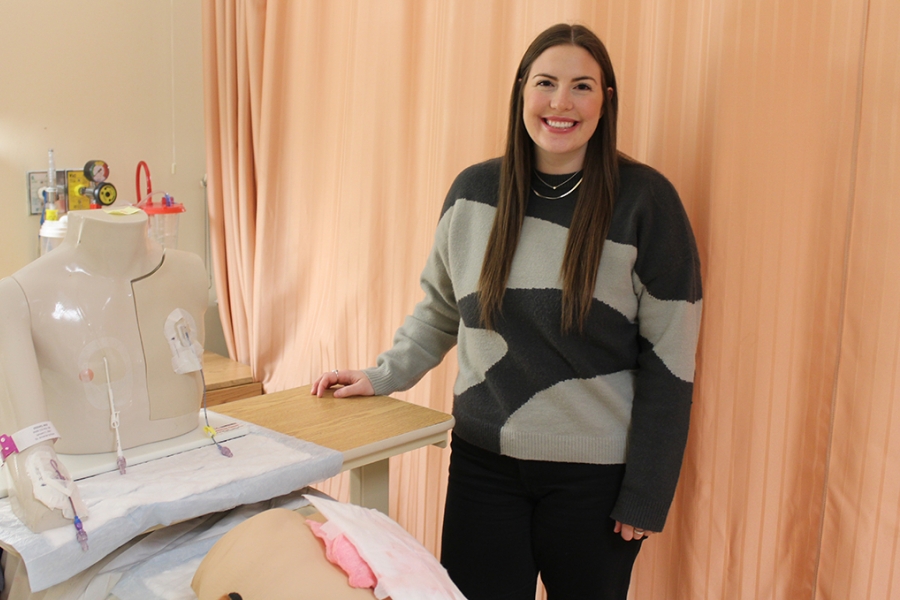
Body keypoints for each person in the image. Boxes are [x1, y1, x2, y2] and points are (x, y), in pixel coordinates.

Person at [312, 23, 702, 600]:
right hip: (483, 467)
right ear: (522, 91)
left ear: (606, 100)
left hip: (595, 483)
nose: (561, 103)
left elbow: (671, 361)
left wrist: (647, 491)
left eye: (582, 87)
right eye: (545, 83)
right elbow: (442, 311)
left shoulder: (646, 202)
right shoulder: (475, 193)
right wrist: (381, 375)